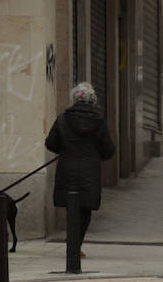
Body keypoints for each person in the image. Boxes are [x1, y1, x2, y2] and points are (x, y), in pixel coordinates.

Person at [45, 82, 115, 257]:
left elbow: (51, 143)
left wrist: (65, 148)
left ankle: (73, 245)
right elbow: (108, 149)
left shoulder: (62, 119)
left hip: (67, 169)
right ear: (92, 100)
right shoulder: (99, 121)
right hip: (90, 171)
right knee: (85, 210)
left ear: (74, 99)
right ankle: (76, 246)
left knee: (71, 209)